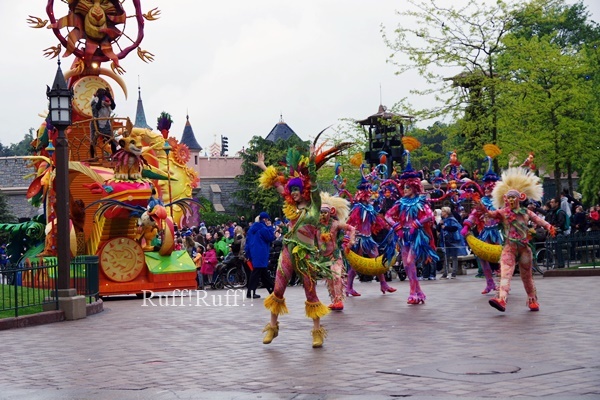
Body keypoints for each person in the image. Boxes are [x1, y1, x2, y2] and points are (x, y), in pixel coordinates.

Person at [253, 146, 332, 348]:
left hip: (306, 256)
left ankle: (317, 332)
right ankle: (272, 327)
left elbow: (313, 184)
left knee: (310, 292)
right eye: (292, 190)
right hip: (288, 251)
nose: (294, 193)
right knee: (278, 289)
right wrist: (263, 166)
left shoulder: (314, 207)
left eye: (297, 190)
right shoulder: (291, 206)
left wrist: (312, 163)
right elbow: (278, 184)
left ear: (303, 191)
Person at [482, 167, 556, 312]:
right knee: (505, 274)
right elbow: (491, 214)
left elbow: (538, 220)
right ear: (505, 199)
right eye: (508, 197)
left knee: (526, 277)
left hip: (524, 249)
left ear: (519, 198)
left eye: (513, 197)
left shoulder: (526, 212)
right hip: (509, 247)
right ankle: (501, 300)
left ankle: (532, 300)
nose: (510, 199)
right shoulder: (503, 213)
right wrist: (483, 209)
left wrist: (549, 227)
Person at [384, 141, 439, 305]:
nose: (405, 189)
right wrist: (396, 226)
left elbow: (430, 216)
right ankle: (418, 291)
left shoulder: (420, 202)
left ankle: (413, 292)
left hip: (416, 237)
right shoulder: (400, 203)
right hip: (404, 236)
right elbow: (387, 215)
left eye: (408, 187)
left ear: (414, 187)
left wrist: (417, 223)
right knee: (407, 266)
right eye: (404, 187)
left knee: (409, 262)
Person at [461, 148, 504, 293]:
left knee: (502, 258)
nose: (486, 190)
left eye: (489, 187)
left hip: (499, 232)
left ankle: (503, 284)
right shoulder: (482, 201)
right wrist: (467, 225)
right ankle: (489, 282)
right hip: (486, 232)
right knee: (482, 257)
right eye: (485, 187)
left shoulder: (501, 201)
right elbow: (473, 214)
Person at [345, 177, 397, 297]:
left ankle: (383, 284)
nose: (369, 196)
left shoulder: (370, 208)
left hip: (369, 239)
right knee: (355, 264)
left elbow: (377, 220)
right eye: (367, 193)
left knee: (377, 262)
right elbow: (351, 221)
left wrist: (388, 227)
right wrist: (349, 236)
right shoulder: (358, 208)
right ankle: (349, 287)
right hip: (360, 239)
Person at [319, 193, 355, 311]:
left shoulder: (335, 224)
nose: (323, 214)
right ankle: (334, 300)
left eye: (325, 212)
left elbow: (351, 228)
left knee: (336, 276)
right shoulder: (316, 226)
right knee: (329, 280)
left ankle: (339, 300)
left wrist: (350, 240)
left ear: (331, 212)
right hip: (323, 257)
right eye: (321, 212)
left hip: (335, 255)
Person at [244, 211, 275, 299]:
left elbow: (248, 241)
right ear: (265, 219)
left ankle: (272, 290)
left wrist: (248, 252)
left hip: (254, 252)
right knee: (257, 272)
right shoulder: (263, 228)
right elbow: (270, 237)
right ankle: (251, 292)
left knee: (261, 272)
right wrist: (270, 227)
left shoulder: (251, 228)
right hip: (261, 252)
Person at [439, 206, 468, 279]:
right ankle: (445, 273)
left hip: (452, 240)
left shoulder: (452, 219)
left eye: (443, 211)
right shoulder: (443, 220)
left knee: (454, 257)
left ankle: (454, 273)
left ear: (446, 212)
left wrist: (446, 228)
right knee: (446, 257)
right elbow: (438, 229)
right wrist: (440, 224)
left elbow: (455, 228)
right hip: (445, 240)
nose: (441, 213)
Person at [90, 87, 117, 159]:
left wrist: (109, 96)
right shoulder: (94, 101)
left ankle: (115, 156)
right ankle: (92, 157)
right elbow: (97, 107)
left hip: (106, 123)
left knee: (112, 140)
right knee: (93, 140)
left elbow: (113, 106)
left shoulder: (107, 102)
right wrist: (100, 97)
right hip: (96, 123)